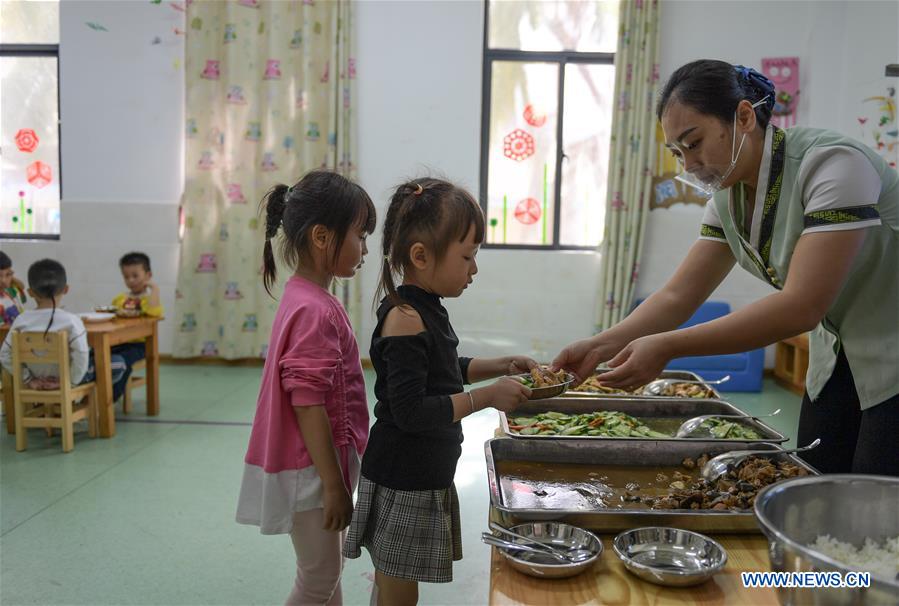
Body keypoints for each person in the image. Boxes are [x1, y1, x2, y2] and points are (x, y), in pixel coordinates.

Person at [554, 60, 898, 476]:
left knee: (877, 504)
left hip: (891, 349)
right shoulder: (729, 198)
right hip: (835, 353)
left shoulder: (833, 165)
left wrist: (668, 346)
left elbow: (801, 306)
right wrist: (599, 345)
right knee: (818, 482)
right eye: (677, 152)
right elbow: (679, 295)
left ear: (744, 116)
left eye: (693, 143)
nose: (688, 165)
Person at [343, 178, 533, 606]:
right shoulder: (406, 317)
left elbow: (445, 370)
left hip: (423, 471)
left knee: (393, 582)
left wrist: (497, 366)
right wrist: (485, 397)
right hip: (403, 476)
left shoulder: (427, 308)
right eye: (467, 256)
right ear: (421, 257)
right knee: (398, 591)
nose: (474, 268)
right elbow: (411, 412)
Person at [235, 170, 377, 605]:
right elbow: (308, 403)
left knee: (324, 572)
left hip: (313, 465)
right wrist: (334, 485)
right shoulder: (314, 310)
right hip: (311, 470)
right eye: (360, 235)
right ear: (321, 236)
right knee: (318, 579)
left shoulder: (305, 296)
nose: (366, 249)